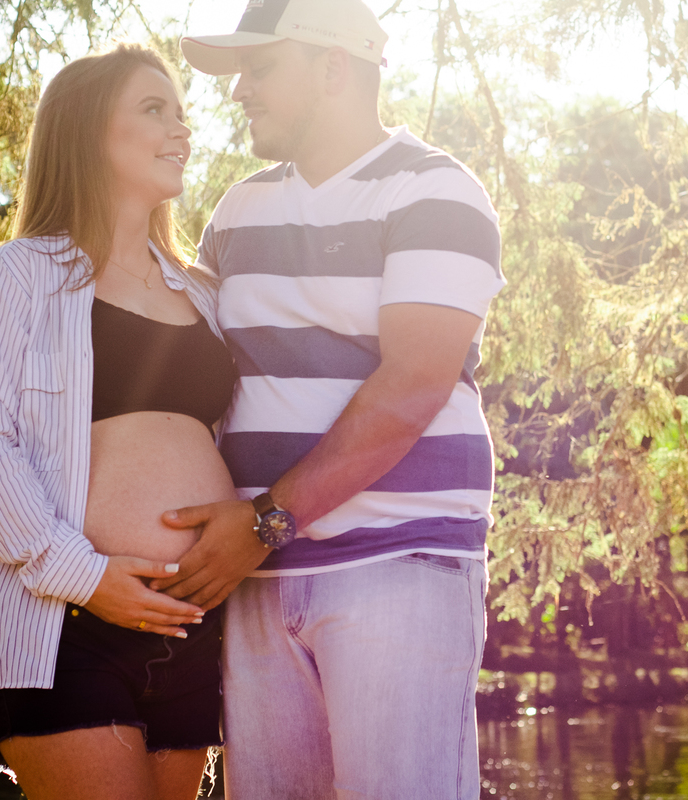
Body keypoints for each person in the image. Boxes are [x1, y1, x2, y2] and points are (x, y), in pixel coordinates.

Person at [153, 0, 506, 797]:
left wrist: (265, 522)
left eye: (260, 67)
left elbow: (413, 384)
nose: (238, 90)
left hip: (398, 564)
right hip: (257, 581)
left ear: (334, 67)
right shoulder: (236, 212)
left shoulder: (436, 192)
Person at [0, 44, 239, 800]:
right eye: (153, 108)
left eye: (180, 111)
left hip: (190, 623)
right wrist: (88, 576)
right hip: (60, 624)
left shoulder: (205, 295)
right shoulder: (16, 275)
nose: (181, 128)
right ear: (87, 131)